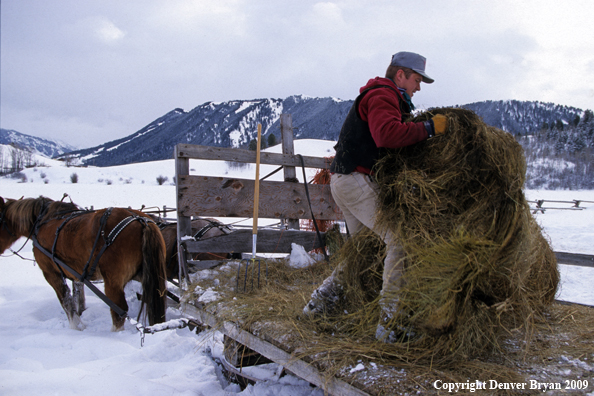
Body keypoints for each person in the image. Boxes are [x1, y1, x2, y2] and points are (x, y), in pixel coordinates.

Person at [302, 51, 448, 342]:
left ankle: (319, 305)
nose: (418, 87)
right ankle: (391, 324)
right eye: (417, 80)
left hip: (345, 181)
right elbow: (387, 135)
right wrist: (429, 128)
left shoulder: (381, 95)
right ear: (401, 74)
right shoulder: (383, 95)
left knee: (363, 249)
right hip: (356, 180)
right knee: (402, 241)